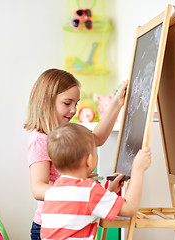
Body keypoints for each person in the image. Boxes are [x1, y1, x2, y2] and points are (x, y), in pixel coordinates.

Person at [24, 68, 127, 240]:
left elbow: (97, 138)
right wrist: (75, 191)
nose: (73, 110)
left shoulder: (67, 134)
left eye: (76, 103)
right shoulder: (41, 140)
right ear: (46, 101)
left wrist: (117, 103)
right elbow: (38, 187)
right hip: (51, 226)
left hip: (73, 221)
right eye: (67, 103)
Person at [41, 123, 152, 240]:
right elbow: (129, 208)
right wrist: (137, 170)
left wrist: (110, 191)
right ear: (89, 160)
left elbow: (84, 207)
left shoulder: (52, 191)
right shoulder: (90, 191)